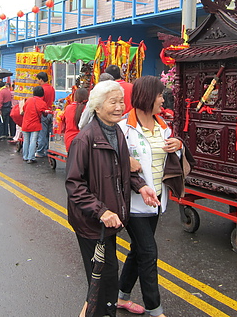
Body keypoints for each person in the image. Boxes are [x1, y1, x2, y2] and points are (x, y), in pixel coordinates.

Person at [65, 80, 158, 317]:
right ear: (97, 106)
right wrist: (101, 211)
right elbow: (74, 185)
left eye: (121, 101)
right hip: (92, 224)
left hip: (110, 223)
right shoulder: (84, 140)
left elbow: (122, 168)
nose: (119, 107)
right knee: (103, 278)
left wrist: (141, 186)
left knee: (105, 276)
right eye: (113, 102)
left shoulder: (116, 132)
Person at [117, 75, 183, 317]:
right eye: (159, 94)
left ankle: (121, 296)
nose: (162, 98)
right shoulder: (124, 128)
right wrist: (125, 160)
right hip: (133, 203)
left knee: (138, 250)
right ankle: (155, 309)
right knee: (148, 253)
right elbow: (110, 159)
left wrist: (178, 144)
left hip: (156, 202)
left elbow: (170, 155)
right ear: (146, 96)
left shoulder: (164, 126)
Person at [21, 86, 48, 164]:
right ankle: (31, 157)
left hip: (26, 123)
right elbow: (44, 114)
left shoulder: (28, 100)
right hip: (35, 124)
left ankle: (25, 156)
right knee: (33, 140)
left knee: (26, 140)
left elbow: (24, 109)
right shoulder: (42, 103)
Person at [61, 87, 89, 151]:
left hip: (69, 139)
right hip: (84, 141)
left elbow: (64, 123)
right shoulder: (87, 109)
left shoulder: (68, 108)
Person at [36, 71, 55, 158]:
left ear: (41, 80)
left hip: (44, 113)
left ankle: (40, 151)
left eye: (38, 80)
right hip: (51, 112)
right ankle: (49, 150)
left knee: (42, 133)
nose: (37, 82)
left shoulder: (41, 89)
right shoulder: (51, 88)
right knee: (50, 133)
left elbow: (40, 102)